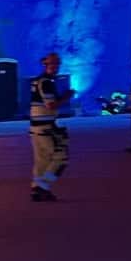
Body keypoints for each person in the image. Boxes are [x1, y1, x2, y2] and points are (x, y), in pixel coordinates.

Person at [28, 52, 73, 201]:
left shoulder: (37, 81)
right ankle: (43, 186)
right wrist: (66, 97)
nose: (56, 67)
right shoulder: (46, 82)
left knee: (42, 160)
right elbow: (51, 105)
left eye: (57, 65)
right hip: (45, 127)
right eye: (53, 64)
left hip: (36, 127)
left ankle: (36, 188)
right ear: (46, 65)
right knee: (61, 158)